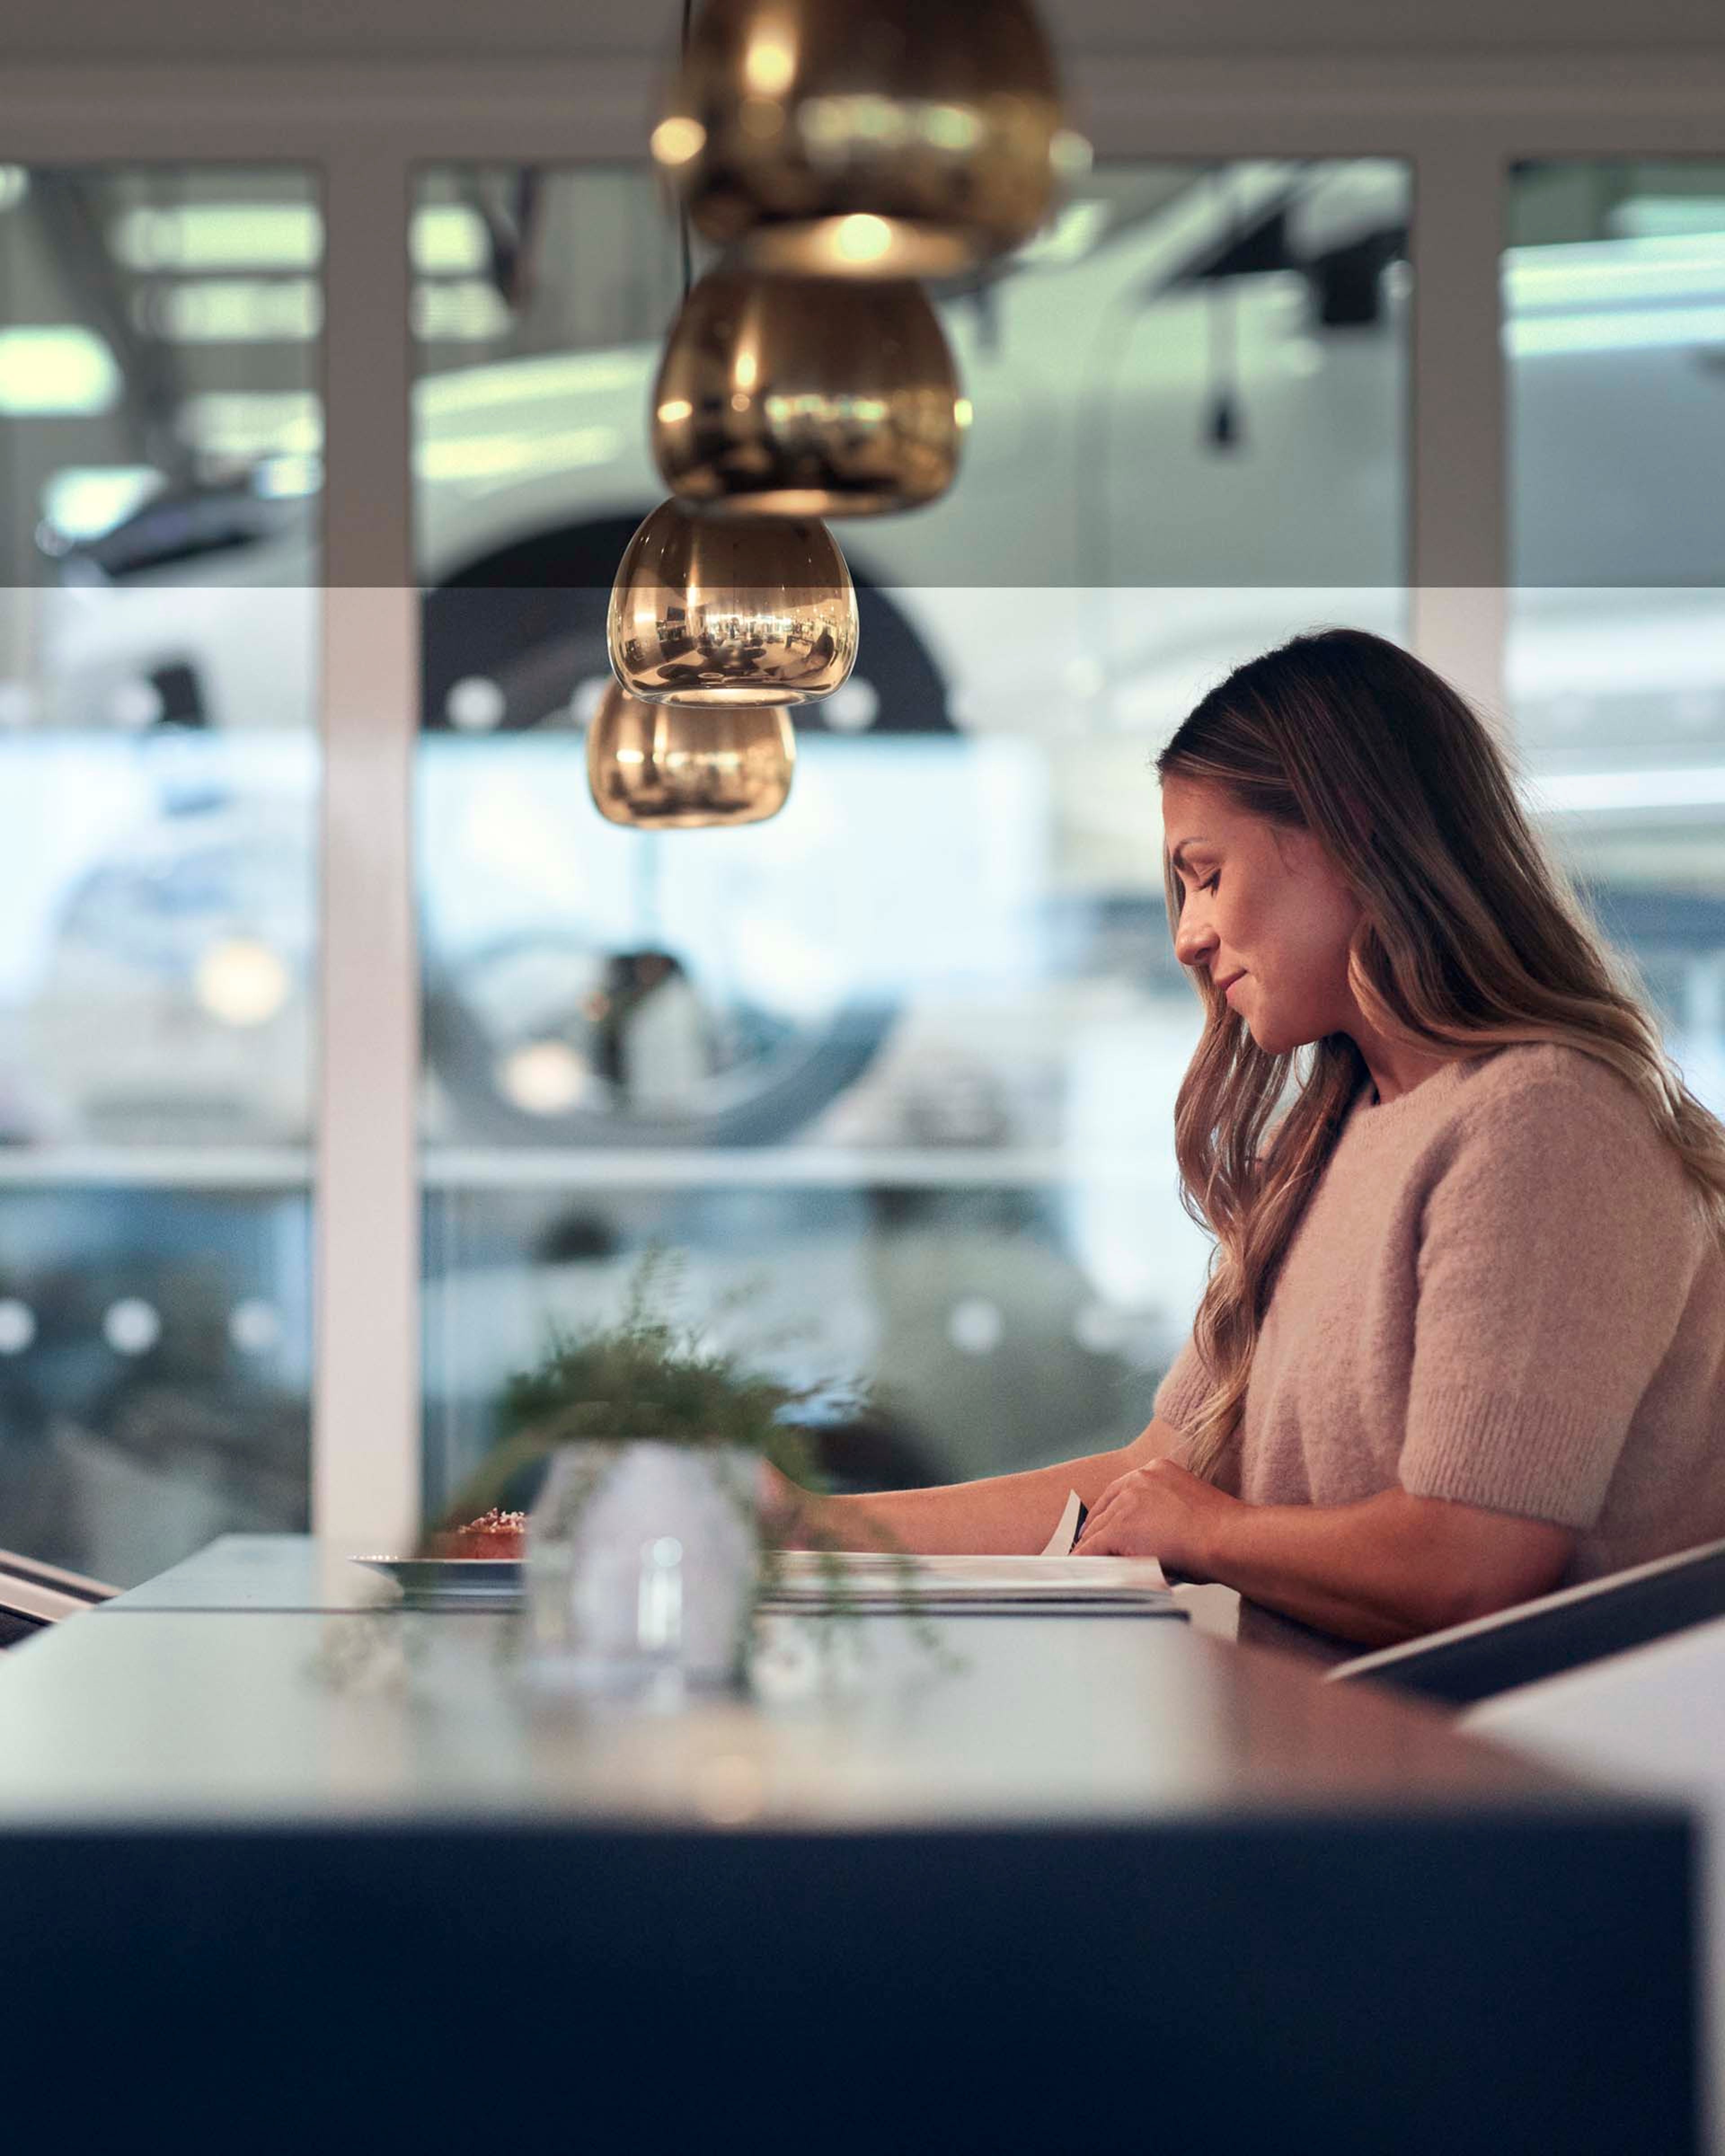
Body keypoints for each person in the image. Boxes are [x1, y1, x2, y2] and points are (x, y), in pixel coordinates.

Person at [770, 627, 1725, 1648]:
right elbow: (1150, 1488)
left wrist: (1213, 1533)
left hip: (1510, 1771)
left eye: (1207, 874)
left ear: (1352, 831)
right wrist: (804, 1525)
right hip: (1352, 1737)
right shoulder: (1335, 1136)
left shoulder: (1541, 1123)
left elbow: (1470, 1569)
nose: (1186, 934)